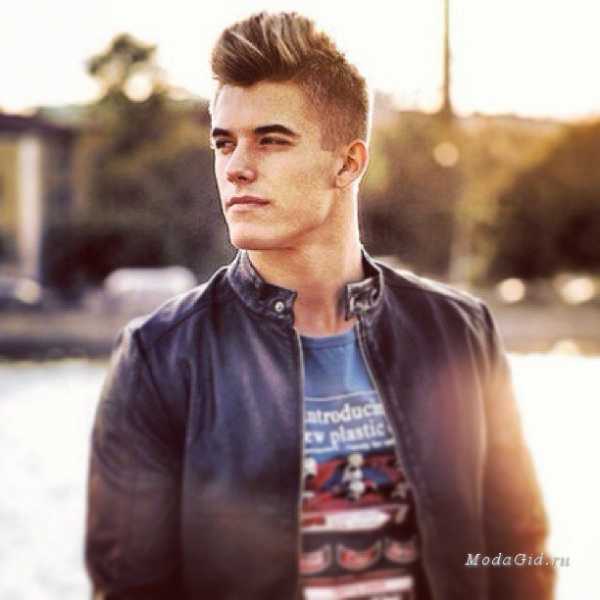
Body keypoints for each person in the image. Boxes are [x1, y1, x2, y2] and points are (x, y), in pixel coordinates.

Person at [85, 11, 554, 600]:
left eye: (271, 140)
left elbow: (518, 550)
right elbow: (131, 588)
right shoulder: (161, 357)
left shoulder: (458, 332)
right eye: (224, 142)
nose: (237, 167)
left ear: (348, 162)